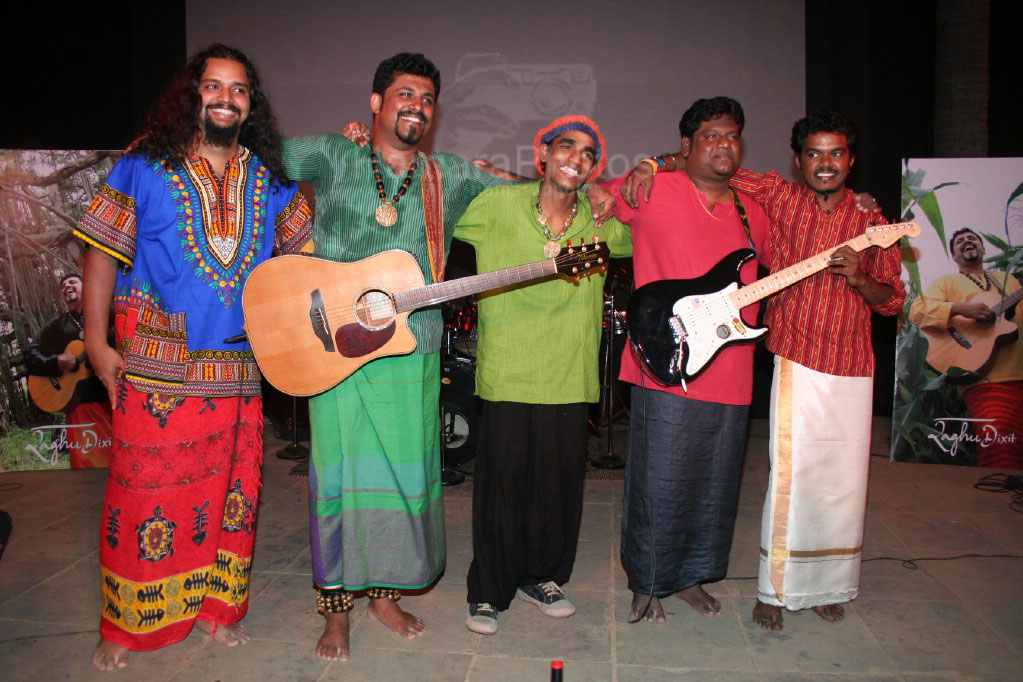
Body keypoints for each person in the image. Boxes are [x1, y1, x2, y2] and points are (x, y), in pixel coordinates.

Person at [284, 52, 615, 662]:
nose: (417, 105)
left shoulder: (452, 176)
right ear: (376, 102)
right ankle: (335, 610)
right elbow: (264, 156)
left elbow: (533, 194)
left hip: (414, 345)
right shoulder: (335, 154)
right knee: (338, 477)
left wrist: (617, 189)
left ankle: (383, 597)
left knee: (405, 479)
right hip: (335, 343)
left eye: (427, 98)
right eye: (404, 94)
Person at [75, 44, 312, 670]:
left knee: (230, 496)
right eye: (214, 86)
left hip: (238, 370)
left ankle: (215, 609)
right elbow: (100, 251)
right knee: (142, 494)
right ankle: (125, 624)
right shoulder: (143, 164)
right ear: (192, 93)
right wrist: (97, 343)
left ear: (250, 104)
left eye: (238, 89)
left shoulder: (265, 176)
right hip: (157, 365)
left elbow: (302, 256)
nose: (226, 99)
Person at [622, 109, 906, 630]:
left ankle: (822, 583)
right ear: (798, 162)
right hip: (795, 353)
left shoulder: (874, 220)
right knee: (786, 478)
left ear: (852, 160)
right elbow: (709, 162)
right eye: (814, 154)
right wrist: (650, 161)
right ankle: (763, 588)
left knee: (839, 484)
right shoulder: (776, 196)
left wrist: (861, 278)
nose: (826, 163)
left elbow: (892, 300)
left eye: (836, 153)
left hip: (852, 360)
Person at [455, 116, 632, 635]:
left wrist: (610, 191)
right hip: (509, 369)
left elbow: (649, 217)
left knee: (556, 484)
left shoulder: (600, 222)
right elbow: (435, 208)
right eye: (565, 146)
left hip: (568, 370)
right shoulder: (496, 207)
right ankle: (488, 589)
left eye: (587, 153)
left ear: (594, 167)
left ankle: (542, 576)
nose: (575, 156)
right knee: (502, 484)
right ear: (542, 155)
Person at [604, 97, 772, 623]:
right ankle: (649, 581)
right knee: (659, 479)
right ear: (687, 145)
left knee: (715, 484)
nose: (725, 145)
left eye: (732, 136)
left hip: (730, 367)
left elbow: (753, 285)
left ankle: (691, 577)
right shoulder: (654, 189)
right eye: (712, 136)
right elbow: (596, 196)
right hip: (666, 361)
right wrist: (652, 164)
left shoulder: (753, 212)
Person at [909, 227, 1023, 468]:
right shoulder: (947, 282)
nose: (967, 242)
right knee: (999, 445)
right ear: (954, 256)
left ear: (982, 249)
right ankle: (993, 504)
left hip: (1019, 371)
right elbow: (917, 311)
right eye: (960, 241)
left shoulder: (1008, 280)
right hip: (984, 380)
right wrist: (960, 309)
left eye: (973, 239)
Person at [24, 272, 112, 468]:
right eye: (63, 286)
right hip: (81, 406)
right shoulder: (58, 325)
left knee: (118, 461)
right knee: (86, 464)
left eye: (72, 282)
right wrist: (56, 362)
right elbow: (30, 352)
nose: (66, 286)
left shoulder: (106, 313)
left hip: (111, 400)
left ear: (86, 286)